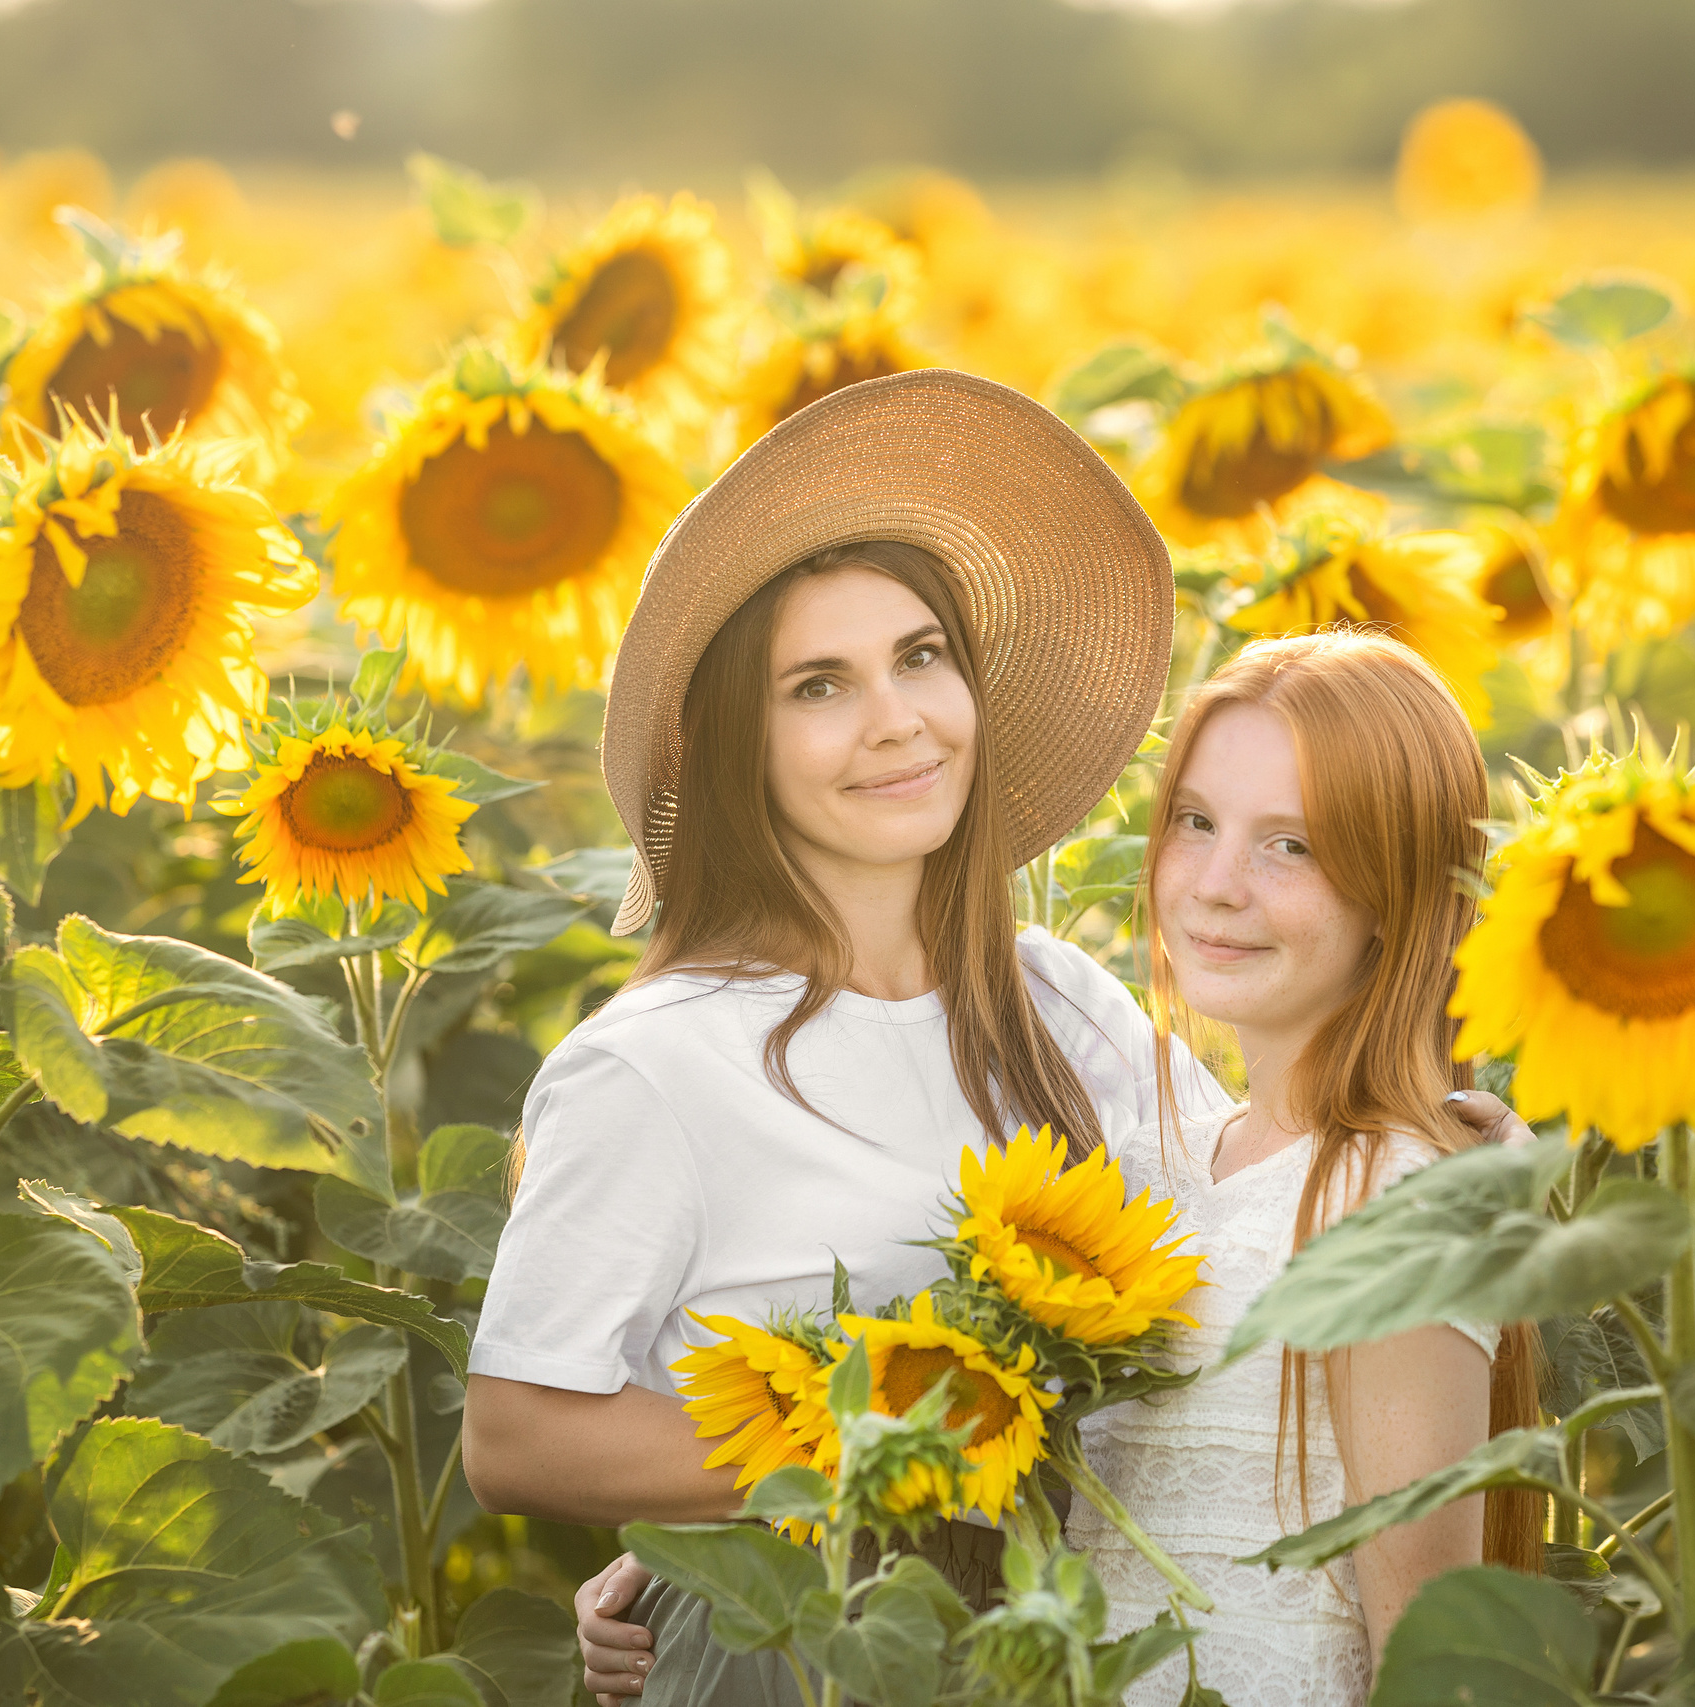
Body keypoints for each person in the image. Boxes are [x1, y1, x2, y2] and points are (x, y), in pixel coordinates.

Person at [465, 369, 1201, 1703]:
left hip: (1071, 1636)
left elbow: (1241, 1234)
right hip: (804, 1653)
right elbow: (517, 1431)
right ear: (738, 742)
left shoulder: (1060, 999)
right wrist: (866, 1434)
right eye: (820, 684)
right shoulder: (658, 1063)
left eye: (920, 655)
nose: (896, 720)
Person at [1060, 629, 1544, 1705]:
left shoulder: (1398, 1199)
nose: (1216, 886)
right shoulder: (1151, 1162)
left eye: (1292, 846)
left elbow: (1435, 1659)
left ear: (1400, 888)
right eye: (1195, 822)